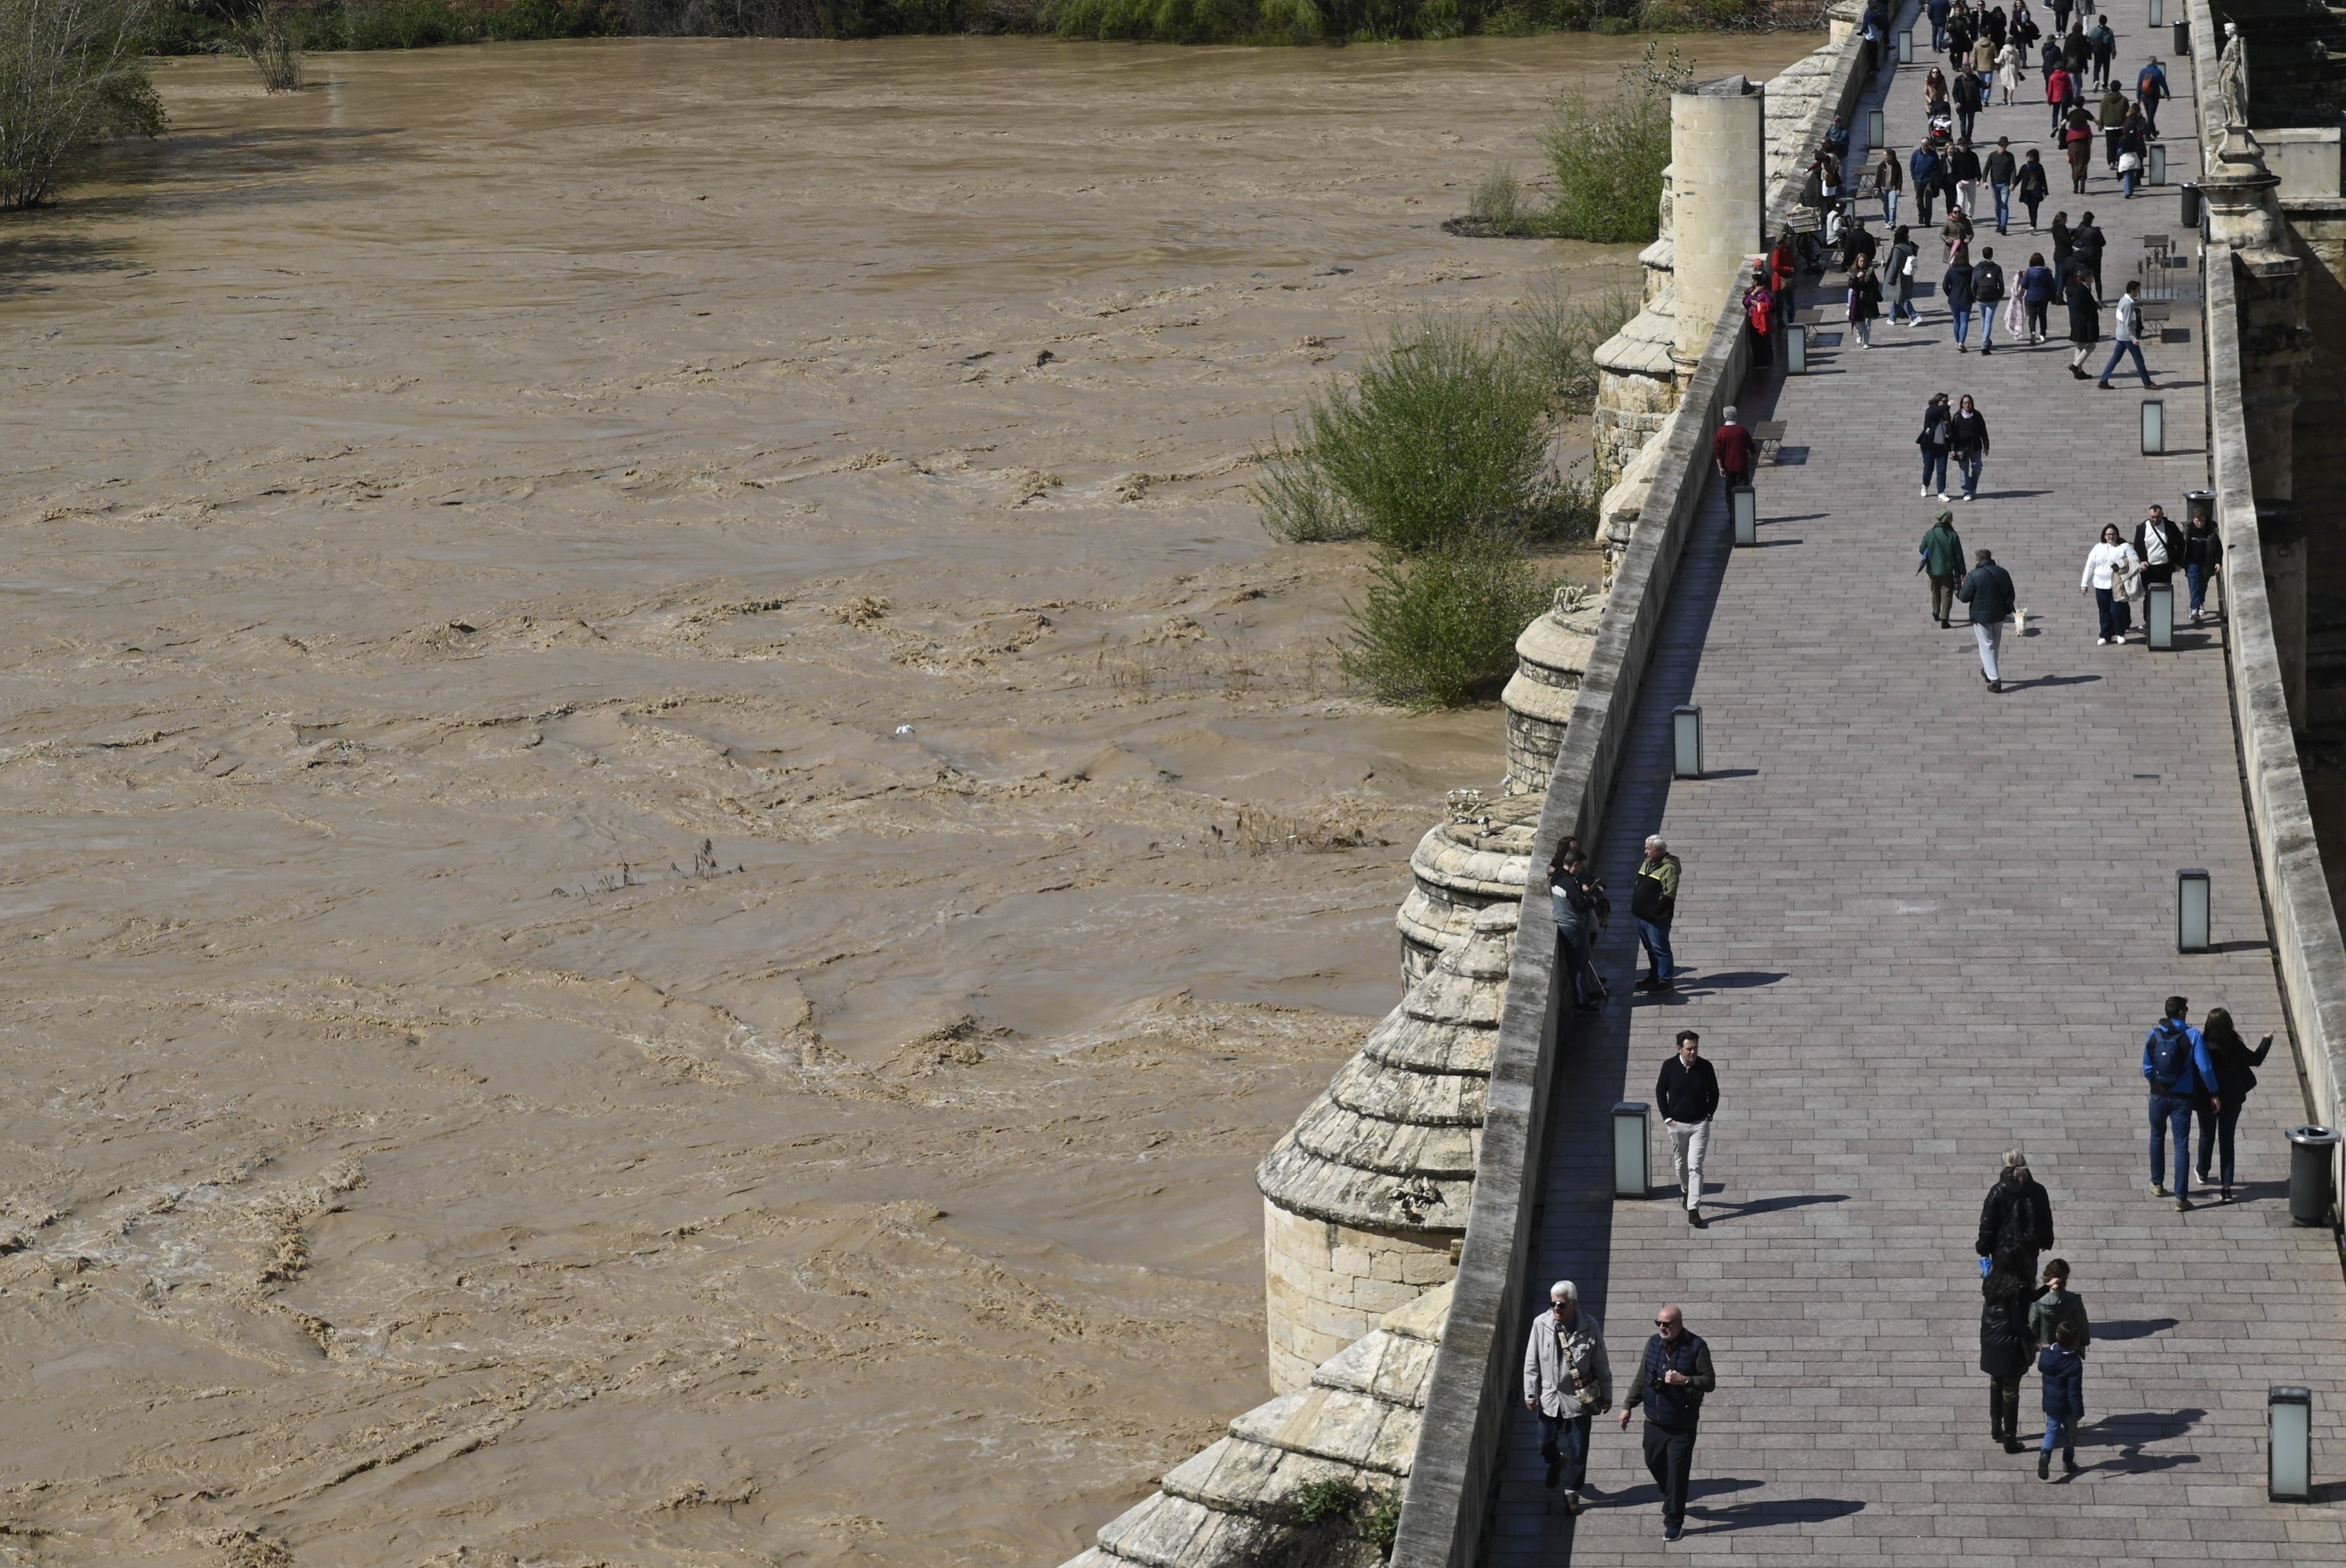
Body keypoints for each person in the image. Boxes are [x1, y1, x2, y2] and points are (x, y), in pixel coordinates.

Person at [1618, 1303, 1714, 1542]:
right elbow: (1642, 1377)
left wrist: (1686, 1380)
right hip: (1654, 1420)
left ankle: (1674, 1521)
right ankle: (1671, 1497)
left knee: (1678, 1474)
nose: (1662, 1327)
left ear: (1679, 1324)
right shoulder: (1653, 1344)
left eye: (1667, 1324)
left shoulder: (1696, 1347)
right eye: (1659, 1323)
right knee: (1652, 1461)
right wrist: (1628, 1406)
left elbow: (1709, 1381)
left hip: (1682, 1424)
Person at [1524, 1279, 1610, 1509]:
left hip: (1577, 1399)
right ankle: (1556, 1460)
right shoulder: (1541, 1324)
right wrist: (1530, 1392)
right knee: (1544, 1442)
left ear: (1573, 1303)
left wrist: (1607, 1393)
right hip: (1550, 1396)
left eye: (1561, 1305)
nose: (1556, 1309)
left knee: (1579, 1448)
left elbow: (1601, 1362)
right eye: (1553, 1304)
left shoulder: (1589, 1326)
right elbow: (1531, 1361)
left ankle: (1572, 1492)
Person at [2144, 994, 2221, 1209]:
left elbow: (2147, 1068)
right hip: (2182, 1099)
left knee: (2157, 1136)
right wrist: (2214, 1092)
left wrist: (2157, 1083)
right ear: (2181, 1013)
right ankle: (2180, 1198)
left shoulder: (2154, 1034)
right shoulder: (2193, 1035)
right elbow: (2205, 1068)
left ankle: (2157, 1184)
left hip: (2158, 1095)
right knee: (2181, 1144)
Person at [2197, 1007, 2275, 1201]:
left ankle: (2203, 1171)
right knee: (2227, 1140)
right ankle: (2226, 1188)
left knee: (2206, 1135)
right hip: (2232, 1100)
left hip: (2208, 1097)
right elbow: (2255, 1060)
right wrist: (2266, 1040)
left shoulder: (2202, 1044)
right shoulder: (2234, 1043)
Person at [1980, 1258, 2045, 1454]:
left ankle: (1995, 1426)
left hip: (1991, 1341)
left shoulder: (1991, 1283)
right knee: (2011, 1391)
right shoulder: (2018, 1289)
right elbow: (2019, 1324)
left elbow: (2031, 1297)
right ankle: (2010, 1439)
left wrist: (2045, 1289)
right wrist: (2035, 1340)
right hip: (2009, 1347)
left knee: (1995, 1381)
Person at [1656, 1030, 1718, 1226]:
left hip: (1699, 1124)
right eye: (1689, 1049)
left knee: (1695, 1166)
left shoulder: (1706, 1067)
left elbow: (1714, 1092)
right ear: (1679, 1049)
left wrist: (1709, 1114)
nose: (1693, 1052)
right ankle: (1685, 1190)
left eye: (1695, 1048)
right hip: (1677, 1125)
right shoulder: (1669, 1066)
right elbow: (1660, 1091)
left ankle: (1693, 1209)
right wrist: (1667, 1118)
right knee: (1681, 1164)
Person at [1975, 1148, 2057, 1285]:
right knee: (2028, 1286)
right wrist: (2046, 1241)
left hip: (2004, 1250)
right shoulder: (2039, 1190)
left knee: (2003, 1288)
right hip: (2029, 1249)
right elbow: (2046, 1220)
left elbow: (1987, 1225)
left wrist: (1984, 1250)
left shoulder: (1998, 1191)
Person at [1549, 846, 1606, 1014]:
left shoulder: (1558, 877)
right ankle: (1581, 1003)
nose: (1581, 869)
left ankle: (1586, 994)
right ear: (1574, 864)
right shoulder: (1568, 882)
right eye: (1580, 866)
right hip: (1573, 927)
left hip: (1568, 925)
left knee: (1580, 964)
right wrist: (1595, 897)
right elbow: (1581, 906)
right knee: (1579, 967)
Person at [1956, 546, 2016, 692]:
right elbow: (2011, 594)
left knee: (1986, 645)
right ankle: (1989, 672)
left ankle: (1995, 680)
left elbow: (1964, 598)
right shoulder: (2003, 572)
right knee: (1994, 644)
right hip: (2000, 614)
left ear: (1978, 560)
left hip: (1981, 617)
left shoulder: (1974, 575)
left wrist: (1963, 586)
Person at [1631, 835, 1681, 992]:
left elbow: (1669, 895)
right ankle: (1654, 976)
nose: (1646, 852)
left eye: (1649, 849)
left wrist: (1655, 913)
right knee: (1651, 949)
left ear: (1659, 851)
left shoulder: (1669, 868)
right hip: (1643, 917)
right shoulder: (1648, 862)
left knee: (1661, 949)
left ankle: (1665, 981)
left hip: (1656, 919)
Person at [2036, 1323, 2085, 1480]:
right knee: (2070, 1434)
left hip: (2051, 1402)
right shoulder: (2074, 1362)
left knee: (2051, 1430)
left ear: (2057, 1336)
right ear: (2075, 1342)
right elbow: (2074, 1391)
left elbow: (2043, 1355)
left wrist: (2043, 1347)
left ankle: (2045, 1455)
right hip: (2068, 1407)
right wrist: (2078, 1412)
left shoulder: (2046, 1354)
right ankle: (2068, 1462)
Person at [2080, 522, 2140, 645]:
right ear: (2104, 535)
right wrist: (2084, 584)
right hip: (2101, 585)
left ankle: (2120, 633)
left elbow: (2135, 560)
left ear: (2117, 535)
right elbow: (2090, 566)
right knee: (2104, 611)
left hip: (2118, 585)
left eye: (2113, 534)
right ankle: (2105, 636)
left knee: (2117, 611)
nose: (2110, 537)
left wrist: (2123, 564)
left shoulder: (2124, 547)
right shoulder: (2098, 548)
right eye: (2108, 534)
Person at [2028, 1257, 2092, 1356]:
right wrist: (2084, 1342)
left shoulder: (2039, 1301)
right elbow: (2082, 1324)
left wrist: (2035, 1344)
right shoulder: (2074, 1300)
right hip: (2070, 1348)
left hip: (2048, 1349)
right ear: (2065, 1279)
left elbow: (2033, 1326)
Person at [2097, 279, 2155, 388]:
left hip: (2120, 335)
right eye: (2137, 290)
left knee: (2115, 359)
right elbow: (2127, 323)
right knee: (2139, 360)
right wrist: (2133, 338)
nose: (2138, 292)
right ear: (2132, 291)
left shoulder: (2122, 300)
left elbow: (2120, 318)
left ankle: (2103, 380)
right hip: (2127, 337)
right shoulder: (2128, 304)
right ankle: (2147, 383)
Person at [1920, 507, 1967, 626]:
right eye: (1951, 519)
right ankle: (1945, 619)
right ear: (1947, 520)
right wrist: (1962, 571)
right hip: (1947, 570)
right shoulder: (1952, 536)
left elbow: (1921, 549)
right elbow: (1958, 556)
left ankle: (1936, 612)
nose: (1953, 520)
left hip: (1932, 569)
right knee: (1947, 593)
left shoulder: (1930, 533)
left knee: (1935, 591)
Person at [2182, 507, 2222, 623]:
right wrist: (2179, 562)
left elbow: (2218, 549)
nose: (2200, 523)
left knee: (2203, 586)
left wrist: (2218, 562)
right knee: (2194, 584)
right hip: (2192, 563)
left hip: (2207, 563)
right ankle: (2194, 609)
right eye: (2197, 521)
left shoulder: (2211, 532)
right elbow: (2181, 547)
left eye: (2202, 521)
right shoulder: (2188, 531)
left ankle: (2200, 603)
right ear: (2193, 520)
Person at [2134, 502, 2182, 596]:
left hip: (2165, 568)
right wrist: (2142, 561)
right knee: (2148, 596)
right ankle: (2148, 611)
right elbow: (2137, 546)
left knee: (2164, 594)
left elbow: (2181, 544)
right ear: (2149, 516)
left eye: (2158, 517)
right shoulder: (2142, 528)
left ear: (2163, 515)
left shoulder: (2170, 526)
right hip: (2148, 568)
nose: (2155, 519)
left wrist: (2178, 563)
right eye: (2153, 517)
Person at [1949, 393, 1989, 500]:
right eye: (1965, 403)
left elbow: (1983, 431)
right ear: (1962, 405)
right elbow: (1953, 434)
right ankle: (1967, 492)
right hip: (1961, 448)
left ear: (1972, 404)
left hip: (1975, 447)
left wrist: (1986, 446)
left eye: (1969, 403)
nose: (1967, 405)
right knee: (1964, 471)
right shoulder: (1957, 416)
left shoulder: (1977, 415)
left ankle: (1972, 487)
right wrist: (1952, 449)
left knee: (1977, 468)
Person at [2065, 264, 2100, 378]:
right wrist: (2093, 307)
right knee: (2091, 346)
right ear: (2087, 278)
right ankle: (2075, 365)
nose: (2093, 280)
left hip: (2077, 321)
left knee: (2079, 346)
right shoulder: (2081, 290)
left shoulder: (2082, 288)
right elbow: (2082, 306)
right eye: (2091, 278)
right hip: (2083, 322)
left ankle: (2079, 372)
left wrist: (2095, 305)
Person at [1918, 390, 1954, 499]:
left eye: (1947, 401)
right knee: (1929, 468)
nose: (1946, 403)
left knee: (1942, 469)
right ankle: (1925, 485)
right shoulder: (1930, 411)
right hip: (1929, 445)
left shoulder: (1946, 413)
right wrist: (1947, 406)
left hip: (1942, 445)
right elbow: (1933, 414)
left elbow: (1950, 428)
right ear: (1938, 401)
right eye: (1944, 401)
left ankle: (1941, 492)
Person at [1714, 406, 1756, 490]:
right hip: (1742, 466)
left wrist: (1720, 467)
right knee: (1743, 490)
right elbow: (1751, 445)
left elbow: (1717, 452)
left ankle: (1731, 503)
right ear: (1736, 416)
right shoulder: (1742, 430)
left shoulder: (1720, 432)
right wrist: (1755, 457)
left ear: (1725, 416)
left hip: (1728, 466)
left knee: (1730, 490)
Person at [1971, 247, 2005, 354]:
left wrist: (1975, 295)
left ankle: (1986, 340)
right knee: (1988, 321)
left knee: (1983, 319)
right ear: (1992, 255)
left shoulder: (1976, 268)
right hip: (1993, 298)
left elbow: (1973, 285)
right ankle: (1985, 345)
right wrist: (1999, 295)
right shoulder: (1997, 268)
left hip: (1981, 297)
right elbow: (2001, 284)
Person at [2018, 250, 2056, 341]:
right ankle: (2043, 334)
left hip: (2030, 297)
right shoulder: (2047, 271)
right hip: (2043, 297)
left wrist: (2022, 277)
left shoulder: (2029, 271)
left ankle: (2033, 332)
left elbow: (2024, 285)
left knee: (2032, 316)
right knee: (2043, 316)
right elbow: (2052, 285)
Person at [1743, 267, 1776, 368]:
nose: (1751, 282)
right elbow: (1746, 303)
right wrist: (1753, 293)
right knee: (1757, 342)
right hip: (1754, 320)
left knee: (1762, 342)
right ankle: (1761, 361)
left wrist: (1757, 304)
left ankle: (1764, 362)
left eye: (1753, 280)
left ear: (1756, 281)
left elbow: (1770, 306)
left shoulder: (1765, 293)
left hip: (1761, 321)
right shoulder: (1754, 291)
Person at [1944, 251, 1978, 351]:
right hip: (1966, 298)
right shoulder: (1971, 270)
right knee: (1964, 322)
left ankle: (1957, 341)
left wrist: (1950, 293)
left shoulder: (1951, 271)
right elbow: (1975, 284)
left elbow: (1945, 285)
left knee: (1956, 321)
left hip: (1954, 299)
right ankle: (1961, 343)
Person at [1887, 225, 1921, 323]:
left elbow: (1894, 264)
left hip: (1899, 276)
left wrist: (1890, 278)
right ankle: (1892, 318)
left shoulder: (1898, 249)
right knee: (1899, 297)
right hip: (1907, 274)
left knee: (1902, 297)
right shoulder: (1909, 246)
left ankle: (1914, 316)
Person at [1983, 137, 2018, 233]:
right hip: (1995, 184)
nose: (2004, 147)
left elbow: (2013, 170)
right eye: (2003, 146)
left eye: (2006, 146)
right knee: (1996, 206)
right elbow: (1986, 169)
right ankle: (1998, 222)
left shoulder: (2010, 156)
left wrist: (2013, 183)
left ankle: (2003, 226)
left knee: (2004, 204)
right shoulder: (1992, 155)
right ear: (1999, 145)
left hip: (2005, 185)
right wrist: (1985, 181)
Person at [1847, 259, 1883, 348]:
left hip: (1869, 300)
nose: (1862, 263)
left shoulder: (1870, 271)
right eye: (1860, 261)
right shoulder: (1853, 271)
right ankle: (1859, 333)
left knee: (1867, 323)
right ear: (1857, 262)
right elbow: (1851, 286)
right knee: (1858, 323)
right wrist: (1857, 277)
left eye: (1863, 261)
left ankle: (1866, 342)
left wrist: (1869, 279)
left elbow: (1876, 284)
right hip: (1858, 301)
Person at [2070, 211, 2105, 296]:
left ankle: (2087, 295)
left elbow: (2073, 242)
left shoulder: (2077, 230)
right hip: (2095, 257)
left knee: (2085, 277)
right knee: (2097, 279)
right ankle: (2100, 298)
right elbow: (2103, 243)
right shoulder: (2095, 231)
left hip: (2083, 257)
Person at [1912, 139, 1944, 228]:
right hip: (1918, 180)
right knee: (1919, 201)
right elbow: (1912, 165)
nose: (1925, 147)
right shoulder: (1916, 154)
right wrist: (1914, 177)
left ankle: (1927, 221)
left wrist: (1935, 178)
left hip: (1929, 181)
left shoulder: (1933, 154)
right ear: (1921, 144)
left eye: (1927, 146)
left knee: (1929, 201)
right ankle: (1921, 215)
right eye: (1923, 145)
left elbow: (1938, 168)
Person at [2063, 104, 2095, 193]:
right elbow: (2090, 138)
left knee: (2074, 165)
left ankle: (2075, 186)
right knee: (2083, 165)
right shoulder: (2086, 127)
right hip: (2084, 147)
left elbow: (2067, 140)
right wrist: (2088, 147)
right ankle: (2082, 185)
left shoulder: (2071, 129)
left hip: (2073, 148)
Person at [2098, 80, 2129, 170]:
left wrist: (2101, 124)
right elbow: (2127, 113)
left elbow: (2102, 112)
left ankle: (2111, 162)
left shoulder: (2105, 99)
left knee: (2110, 145)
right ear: (2119, 88)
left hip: (2109, 126)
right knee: (2120, 144)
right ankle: (2118, 160)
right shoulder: (2124, 99)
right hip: (2121, 125)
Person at [2017, 148, 2050, 230]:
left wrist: (2045, 191)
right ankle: (2033, 224)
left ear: (2035, 157)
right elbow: (2019, 177)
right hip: (2026, 192)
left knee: (2034, 209)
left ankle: (2033, 225)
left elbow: (2043, 179)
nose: (2028, 157)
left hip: (2036, 191)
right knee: (2030, 209)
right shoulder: (2024, 167)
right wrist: (2013, 185)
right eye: (2027, 155)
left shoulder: (2039, 167)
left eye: (2030, 156)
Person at [2137, 54, 2168, 136]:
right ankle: (2147, 135)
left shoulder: (2143, 71)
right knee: (2150, 117)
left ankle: (2154, 132)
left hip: (2144, 97)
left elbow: (2139, 85)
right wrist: (2167, 94)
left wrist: (2138, 97)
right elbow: (2163, 84)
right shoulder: (2157, 71)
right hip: (2153, 97)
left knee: (2150, 115)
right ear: (2155, 63)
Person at [1877, 143, 1904, 227]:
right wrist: (1876, 188)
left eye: (1886, 156)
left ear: (1891, 156)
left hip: (1893, 189)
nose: (1885, 157)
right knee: (1886, 206)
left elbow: (1900, 178)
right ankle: (1887, 221)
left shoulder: (1896, 165)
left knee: (1892, 206)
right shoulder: (1881, 165)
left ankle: (1892, 222)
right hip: (1883, 189)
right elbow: (1878, 177)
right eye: (1884, 156)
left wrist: (1899, 189)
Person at [2050, 211, 2073, 300]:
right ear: (2062, 219)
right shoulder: (2061, 229)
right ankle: (2059, 297)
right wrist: (2073, 238)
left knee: (2058, 276)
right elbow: (2067, 241)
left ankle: (2053, 295)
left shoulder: (2056, 228)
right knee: (2062, 278)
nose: (2067, 220)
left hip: (2057, 254)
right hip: (2063, 256)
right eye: (2065, 218)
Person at [2046, 61, 2073, 137]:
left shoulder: (2052, 77)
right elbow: (2070, 87)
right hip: (2065, 97)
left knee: (2055, 114)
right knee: (2064, 114)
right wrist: (2071, 97)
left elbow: (2050, 90)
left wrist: (2049, 100)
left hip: (2055, 98)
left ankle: (2055, 126)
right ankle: (2063, 127)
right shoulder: (2066, 75)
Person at [2089, 14, 2117, 89]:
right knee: (2106, 68)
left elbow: (2091, 40)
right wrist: (2114, 52)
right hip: (2107, 52)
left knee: (2097, 68)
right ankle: (2105, 84)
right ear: (2106, 22)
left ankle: (2096, 80)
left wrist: (2091, 50)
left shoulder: (2094, 30)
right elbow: (2112, 42)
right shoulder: (2109, 31)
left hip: (2098, 52)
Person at [1997, 37, 2024, 104]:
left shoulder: (2003, 51)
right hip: (2013, 68)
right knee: (2012, 85)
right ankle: (2010, 100)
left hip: (2004, 68)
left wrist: (1994, 60)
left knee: (2006, 84)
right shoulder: (2016, 51)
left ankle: (2005, 98)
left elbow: (1999, 60)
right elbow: (2018, 62)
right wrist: (2018, 70)